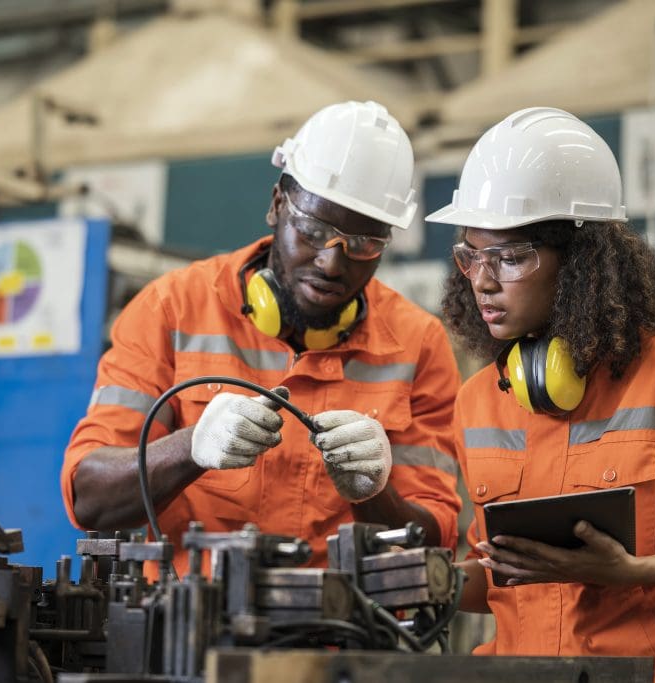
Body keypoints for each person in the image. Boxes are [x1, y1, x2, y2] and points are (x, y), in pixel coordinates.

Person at [427, 107, 655, 681]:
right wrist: (426, 581)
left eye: (512, 257)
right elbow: (503, 578)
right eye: (471, 254)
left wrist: (630, 572)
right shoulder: (481, 399)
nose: (483, 280)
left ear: (581, 263)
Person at [61, 100, 462, 575]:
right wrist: (190, 447)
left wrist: (375, 492)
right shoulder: (171, 310)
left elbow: (435, 541)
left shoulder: (417, 345)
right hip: (187, 631)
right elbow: (90, 498)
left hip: (342, 636)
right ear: (276, 206)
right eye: (313, 229)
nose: (332, 262)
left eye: (364, 243)